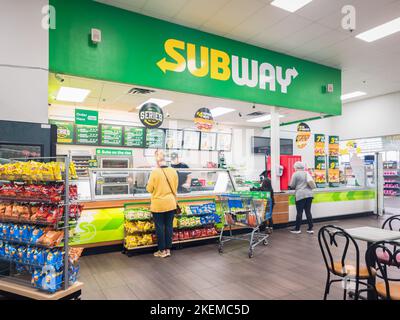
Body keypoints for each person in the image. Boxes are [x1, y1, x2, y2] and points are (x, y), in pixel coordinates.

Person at [146, 150, 178, 258]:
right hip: (171, 202)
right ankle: (168, 249)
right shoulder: (173, 171)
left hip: (158, 204)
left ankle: (161, 251)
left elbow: (149, 189)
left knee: (159, 227)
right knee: (169, 226)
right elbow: (175, 186)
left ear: (157, 160)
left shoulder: (155, 172)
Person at [289, 161, 314, 234]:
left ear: (296, 167)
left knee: (299, 212)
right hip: (309, 195)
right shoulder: (307, 173)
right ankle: (310, 228)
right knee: (308, 212)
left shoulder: (295, 174)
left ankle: (297, 229)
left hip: (300, 195)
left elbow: (292, 185)